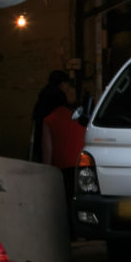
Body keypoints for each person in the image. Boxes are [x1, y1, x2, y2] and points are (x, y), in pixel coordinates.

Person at [39, 76, 86, 204]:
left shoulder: (48, 120)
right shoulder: (79, 117)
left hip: (62, 173)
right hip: (82, 168)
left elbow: (47, 156)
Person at [28, 71, 75, 162]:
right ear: (62, 83)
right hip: (51, 130)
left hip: (40, 128)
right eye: (67, 84)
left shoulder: (44, 92)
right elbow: (62, 114)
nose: (67, 88)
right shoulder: (59, 95)